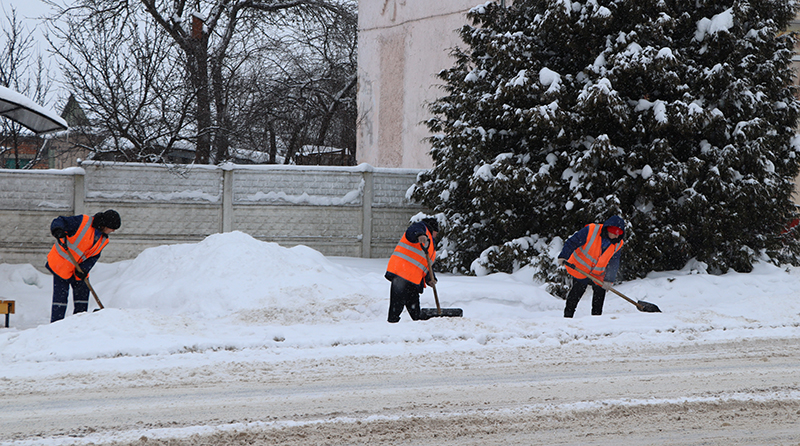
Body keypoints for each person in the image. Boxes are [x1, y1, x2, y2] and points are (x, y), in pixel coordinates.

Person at [46, 209, 121, 322]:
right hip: (62, 264)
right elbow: (60, 220)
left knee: (82, 296)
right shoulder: (83, 222)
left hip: (78, 269)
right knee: (60, 299)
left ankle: (79, 323)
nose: (113, 231)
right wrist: (58, 230)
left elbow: (94, 257)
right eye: (112, 228)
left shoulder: (103, 239)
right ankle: (56, 324)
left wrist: (85, 269)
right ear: (105, 225)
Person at [557, 215, 625, 318]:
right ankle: (568, 317)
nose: (615, 236)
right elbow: (573, 242)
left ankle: (596, 320)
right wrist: (564, 256)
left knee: (600, 294)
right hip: (581, 268)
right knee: (576, 292)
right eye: (613, 233)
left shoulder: (618, 243)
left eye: (618, 234)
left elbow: (614, 262)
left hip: (598, 272)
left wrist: (609, 279)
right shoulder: (591, 231)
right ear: (607, 229)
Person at [385, 218, 439, 323]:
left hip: (413, 280)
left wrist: (430, 279)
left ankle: (418, 327)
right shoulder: (422, 227)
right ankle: (391, 327)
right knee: (396, 308)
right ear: (434, 230)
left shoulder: (431, 246)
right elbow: (412, 230)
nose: (436, 236)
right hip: (401, 274)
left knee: (415, 313)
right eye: (437, 233)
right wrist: (420, 234)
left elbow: (426, 264)